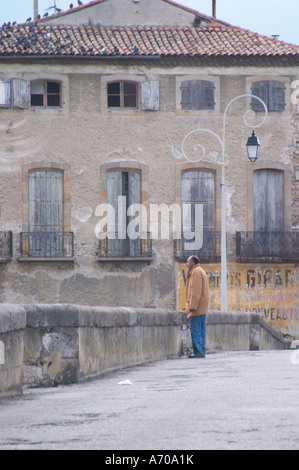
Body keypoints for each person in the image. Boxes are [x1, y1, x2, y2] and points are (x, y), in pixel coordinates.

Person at [185, 256, 210, 358]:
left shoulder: (196, 272)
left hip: (197, 307)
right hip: (203, 307)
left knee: (195, 329)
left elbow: (195, 291)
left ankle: (198, 351)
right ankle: (201, 351)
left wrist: (192, 306)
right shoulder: (201, 271)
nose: (186, 264)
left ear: (193, 263)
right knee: (201, 330)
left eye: (188, 262)